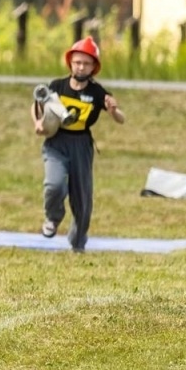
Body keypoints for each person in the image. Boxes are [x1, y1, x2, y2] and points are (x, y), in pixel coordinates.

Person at [33, 37, 125, 251]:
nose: (81, 67)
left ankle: (77, 241)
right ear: (70, 63)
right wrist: (38, 122)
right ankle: (53, 218)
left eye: (86, 63)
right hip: (56, 143)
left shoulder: (97, 92)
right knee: (53, 185)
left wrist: (114, 111)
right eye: (77, 62)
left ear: (94, 67)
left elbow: (121, 119)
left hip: (81, 145)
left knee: (82, 198)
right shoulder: (57, 86)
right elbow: (37, 105)